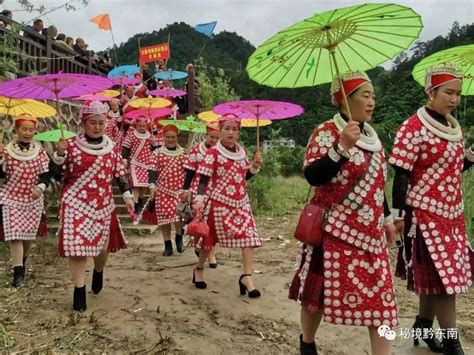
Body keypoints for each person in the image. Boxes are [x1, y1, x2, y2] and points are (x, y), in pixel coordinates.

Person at [288, 71, 399, 355]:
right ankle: (308, 344)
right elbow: (313, 176)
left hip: (370, 237)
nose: (372, 102)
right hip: (333, 233)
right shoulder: (326, 132)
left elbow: (376, 186)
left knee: (382, 305)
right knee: (317, 298)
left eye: (373, 95)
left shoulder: (373, 139)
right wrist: (341, 148)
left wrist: (386, 219)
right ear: (344, 100)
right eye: (365, 95)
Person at [389, 64, 472, 355]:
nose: (454, 99)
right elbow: (401, 175)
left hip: (452, 215)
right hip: (422, 215)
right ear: (431, 92)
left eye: (458, 94)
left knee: (436, 280)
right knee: (444, 282)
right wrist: (398, 217)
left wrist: (469, 160)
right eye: (448, 92)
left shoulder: (453, 128)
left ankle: (423, 326)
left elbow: (449, 171)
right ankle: (452, 342)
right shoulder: (413, 127)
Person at [53, 101, 135, 312]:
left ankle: (98, 270)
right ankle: (79, 290)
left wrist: (126, 195)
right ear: (83, 123)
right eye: (93, 123)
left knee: (101, 248)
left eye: (101, 122)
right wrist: (60, 155)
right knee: (77, 248)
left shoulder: (111, 148)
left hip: (102, 205)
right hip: (75, 203)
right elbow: (56, 174)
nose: (97, 127)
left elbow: (119, 175)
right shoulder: (70, 146)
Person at [192, 114, 263, 294]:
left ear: (238, 132)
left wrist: (254, 166)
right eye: (227, 129)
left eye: (234, 129)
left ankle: (247, 276)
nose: (231, 132)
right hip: (219, 203)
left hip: (241, 203)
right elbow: (203, 178)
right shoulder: (213, 153)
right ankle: (199, 268)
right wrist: (199, 200)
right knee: (208, 241)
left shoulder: (242, 153)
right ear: (220, 131)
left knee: (250, 238)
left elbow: (245, 176)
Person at [0, 115, 50, 287]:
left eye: (31, 129)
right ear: (16, 130)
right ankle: (18, 273)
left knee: (27, 236)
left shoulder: (40, 152)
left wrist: (40, 187)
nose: (28, 132)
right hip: (11, 197)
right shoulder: (6, 151)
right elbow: (1, 175)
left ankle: (22, 260)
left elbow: (45, 175)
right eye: (24, 129)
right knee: (15, 235)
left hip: (33, 199)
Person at [181, 122, 220, 267]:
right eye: (212, 137)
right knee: (199, 219)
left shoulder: (222, 152)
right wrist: (185, 190)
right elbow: (189, 173)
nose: (215, 141)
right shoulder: (196, 151)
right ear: (206, 135)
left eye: (217, 137)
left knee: (214, 223)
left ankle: (212, 254)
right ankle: (200, 246)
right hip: (199, 190)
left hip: (217, 191)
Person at [147, 124, 186, 256]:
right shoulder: (156, 153)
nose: (170, 139)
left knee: (178, 217)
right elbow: (152, 170)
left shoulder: (184, 153)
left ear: (177, 138)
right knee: (164, 219)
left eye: (173, 137)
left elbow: (189, 171)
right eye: (168, 137)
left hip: (179, 191)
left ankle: (179, 238)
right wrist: (152, 185)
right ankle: (167, 244)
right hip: (162, 191)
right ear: (163, 137)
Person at [122, 116, 156, 214]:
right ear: (136, 125)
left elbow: (155, 152)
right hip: (134, 163)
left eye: (144, 126)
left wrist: (154, 144)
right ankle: (136, 204)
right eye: (140, 126)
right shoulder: (131, 135)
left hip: (147, 164)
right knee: (135, 185)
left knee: (145, 186)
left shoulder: (150, 136)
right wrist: (124, 159)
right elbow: (126, 148)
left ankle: (140, 200)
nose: (142, 128)